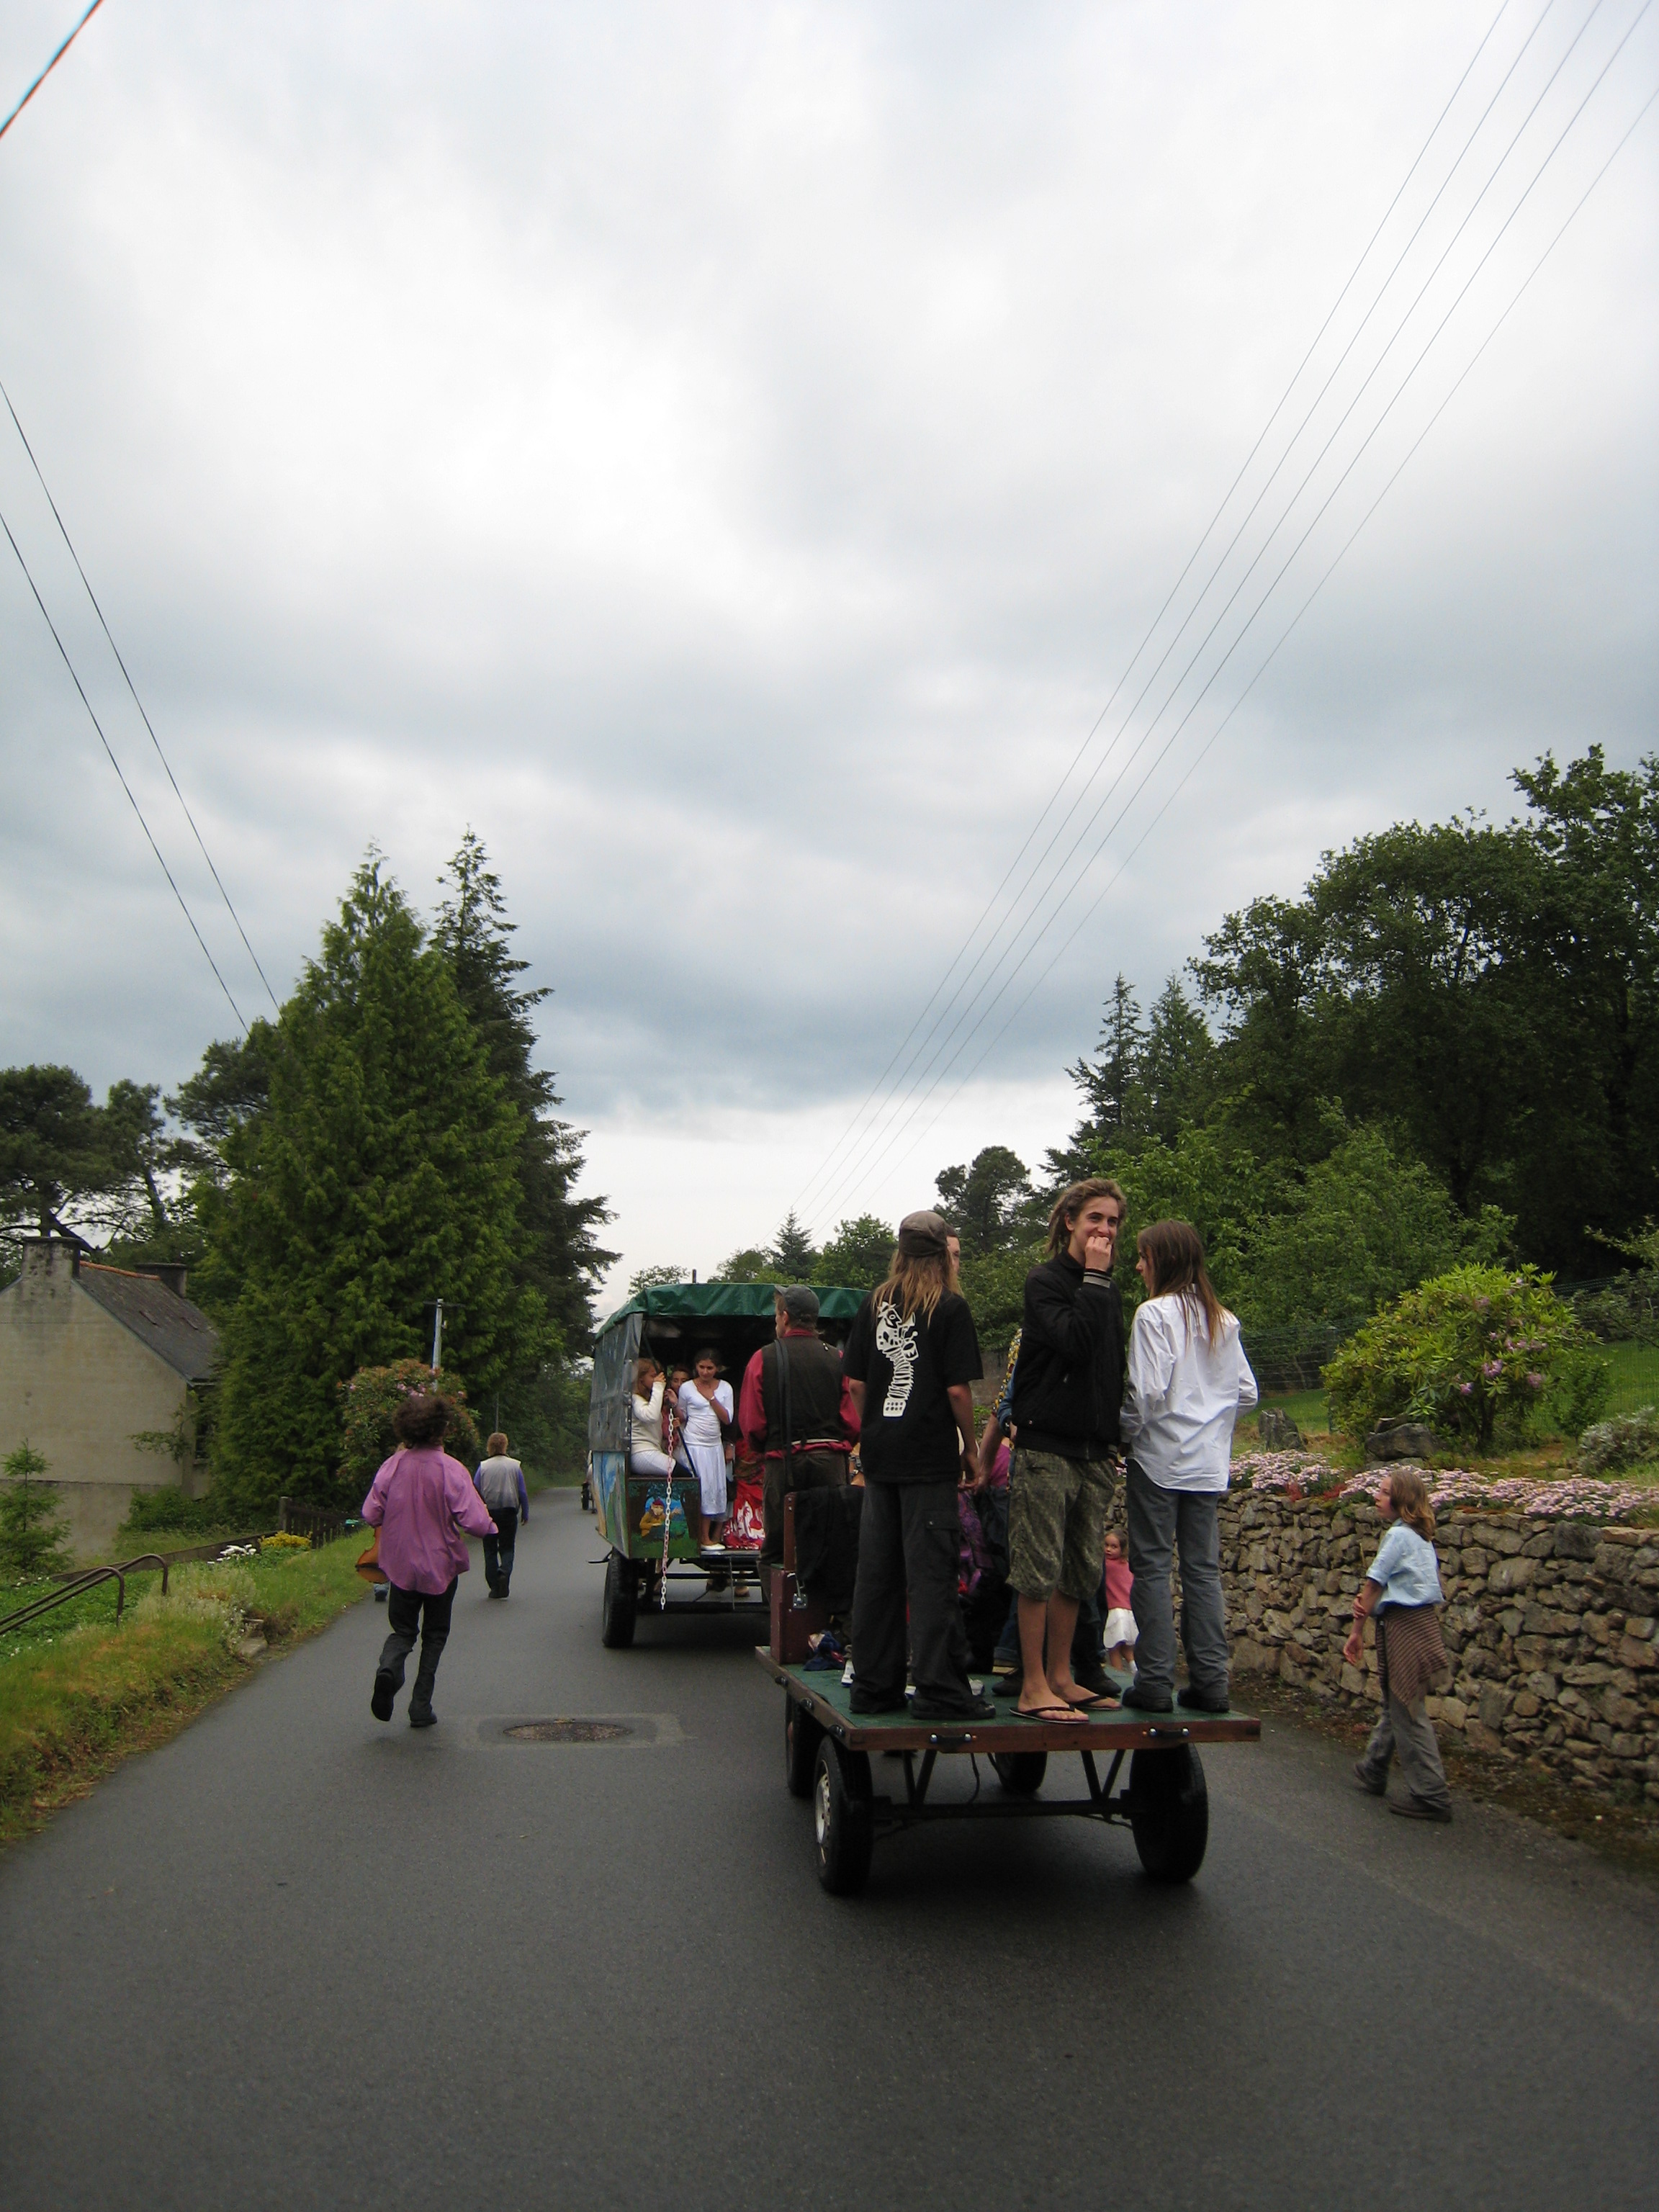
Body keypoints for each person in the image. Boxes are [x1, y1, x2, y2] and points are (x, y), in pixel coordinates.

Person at [844, 1210, 992, 1721]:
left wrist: (875, 1431)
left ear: (900, 1253)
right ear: (941, 1256)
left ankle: (873, 1687)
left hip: (881, 1458)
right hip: (928, 1459)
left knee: (877, 1576)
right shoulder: (949, 1307)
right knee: (931, 1577)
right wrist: (970, 1448)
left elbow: (857, 1384)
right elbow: (957, 1390)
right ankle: (940, 1690)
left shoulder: (874, 1303)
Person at [1119, 1219, 1257, 1714]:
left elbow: (1146, 1392)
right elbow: (1247, 1393)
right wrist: (1212, 1427)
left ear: (1164, 1260)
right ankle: (1211, 1683)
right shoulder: (1224, 1319)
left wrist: (1123, 1434)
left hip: (1158, 1459)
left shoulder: (1153, 1315)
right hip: (1206, 1466)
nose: (1139, 1267)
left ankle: (1155, 1681)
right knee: (1202, 1571)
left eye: (1144, 1257)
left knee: (1153, 1567)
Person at [1005, 1177, 1128, 1720]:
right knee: (1038, 1568)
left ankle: (1061, 1676)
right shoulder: (1045, 1282)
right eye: (1095, 1218)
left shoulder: (1109, 1290)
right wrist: (1096, 1278)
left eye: (1113, 1221)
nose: (1105, 1230)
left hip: (1094, 1449)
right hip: (1046, 1445)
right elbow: (1076, 1343)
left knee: (1079, 1571)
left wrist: (1113, 1436)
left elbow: (1109, 1365)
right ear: (1070, 1222)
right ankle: (1033, 1685)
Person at [361, 1391, 498, 1729]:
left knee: (402, 1630)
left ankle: (389, 1669)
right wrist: (491, 1526)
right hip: (441, 1567)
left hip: (400, 1566)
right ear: (441, 1429)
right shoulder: (451, 1469)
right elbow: (475, 1522)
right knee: (435, 1636)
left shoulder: (392, 1466)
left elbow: (370, 1513)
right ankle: (420, 1706)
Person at [1346, 1469, 1454, 1822]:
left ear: (1401, 1500)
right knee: (1398, 1704)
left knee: (1407, 1710)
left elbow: (1373, 1586)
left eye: (1384, 1492)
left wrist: (1356, 1632)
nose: (1376, 1496)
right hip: (1421, 1625)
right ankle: (1374, 1768)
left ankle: (1432, 1795)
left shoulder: (1397, 1536)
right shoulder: (1421, 1538)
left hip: (1406, 1628)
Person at [738, 1285, 860, 1568]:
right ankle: (828, 1597)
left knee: (776, 1550)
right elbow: (853, 1422)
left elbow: (753, 1425)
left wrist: (768, 1446)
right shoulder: (837, 1359)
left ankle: (781, 1596)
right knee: (832, 1545)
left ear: (785, 1317)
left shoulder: (763, 1358)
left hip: (783, 1462)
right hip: (830, 1464)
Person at [677, 1347, 734, 1554]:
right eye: (701, 1367)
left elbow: (727, 1418)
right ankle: (701, 1537)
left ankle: (707, 1537)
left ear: (717, 1368)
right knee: (700, 1488)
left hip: (713, 1445)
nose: (705, 1372)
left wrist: (711, 1398)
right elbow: (683, 1415)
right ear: (696, 1367)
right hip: (694, 1444)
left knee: (712, 1488)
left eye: (710, 1368)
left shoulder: (725, 1388)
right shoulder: (687, 1388)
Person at [475, 1430, 529, 1599]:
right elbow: (522, 1491)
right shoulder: (514, 1466)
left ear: (489, 1447)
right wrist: (525, 1512)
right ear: (505, 1445)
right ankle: (504, 1571)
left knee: (490, 1549)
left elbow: (475, 1489)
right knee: (507, 1547)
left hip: (488, 1513)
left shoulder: (483, 1467)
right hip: (509, 1511)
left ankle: (494, 1586)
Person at [1102, 1526, 1136, 1676]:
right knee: (1127, 1648)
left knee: (1114, 1648)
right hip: (1129, 1612)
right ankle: (1134, 1668)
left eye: (1113, 1547)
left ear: (1122, 1549)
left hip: (1115, 1612)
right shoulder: (1127, 1566)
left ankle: (1118, 1676)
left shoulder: (1107, 1566)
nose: (1108, 1549)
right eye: (1106, 1545)